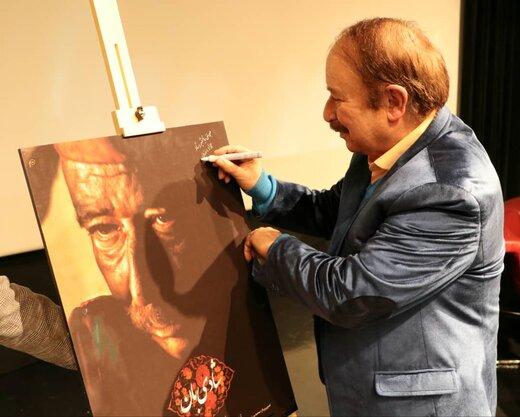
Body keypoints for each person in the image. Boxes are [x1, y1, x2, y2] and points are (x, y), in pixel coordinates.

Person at [212, 17, 504, 417]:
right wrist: (263, 186)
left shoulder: (449, 192)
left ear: (394, 103)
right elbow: (336, 212)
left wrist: (277, 248)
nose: (327, 113)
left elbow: (353, 295)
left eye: (337, 98)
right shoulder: (389, 148)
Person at [3, 131, 295, 417]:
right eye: (104, 229)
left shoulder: (248, 328)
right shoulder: (103, 338)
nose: (141, 289)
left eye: (164, 219)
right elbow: (17, 318)